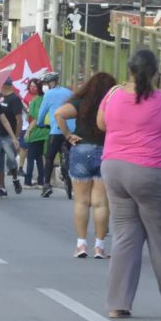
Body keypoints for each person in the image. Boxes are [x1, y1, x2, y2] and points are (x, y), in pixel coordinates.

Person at [95, 50, 161, 320]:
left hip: (115, 169)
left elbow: (101, 124)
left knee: (125, 237)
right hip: (153, 171)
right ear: (156, 71)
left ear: (130, 70)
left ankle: (118, 304)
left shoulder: (112, 94)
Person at [55, 72, 116, 259]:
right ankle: (99, 246)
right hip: (105, 151)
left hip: (81, 150)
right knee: (100, 202)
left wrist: (67, 135)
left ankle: (81, 245)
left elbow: (59, 114)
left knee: (81, 201)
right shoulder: (112, 103)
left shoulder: (81, 103)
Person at [0, 78, 24, 197]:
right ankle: (2, 188)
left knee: (11, 160)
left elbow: (19, 120)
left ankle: (15, 178)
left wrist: (16, 137)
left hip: (9, 135)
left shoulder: (15, 99)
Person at [38, 72, 73, 198]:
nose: (44, 86)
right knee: (73, 155)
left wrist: (40, 123)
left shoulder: (48, 94)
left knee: (49, 157)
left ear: (51, 83)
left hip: (57, 130)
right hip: (71, 130)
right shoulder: (69, 92)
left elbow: (42, 113)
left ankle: (46, 184)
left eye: (45, 84)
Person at [22, 79, 49, 188]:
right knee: (39, 158)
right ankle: (41, 181)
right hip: (45, 131)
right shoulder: (43, 99)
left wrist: (28, 131)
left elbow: (35, 118)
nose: (32, 88)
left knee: (31, 158)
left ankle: (28, 182)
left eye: (34, 86)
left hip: (37, 132)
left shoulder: (37, 100)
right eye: (31, 86)